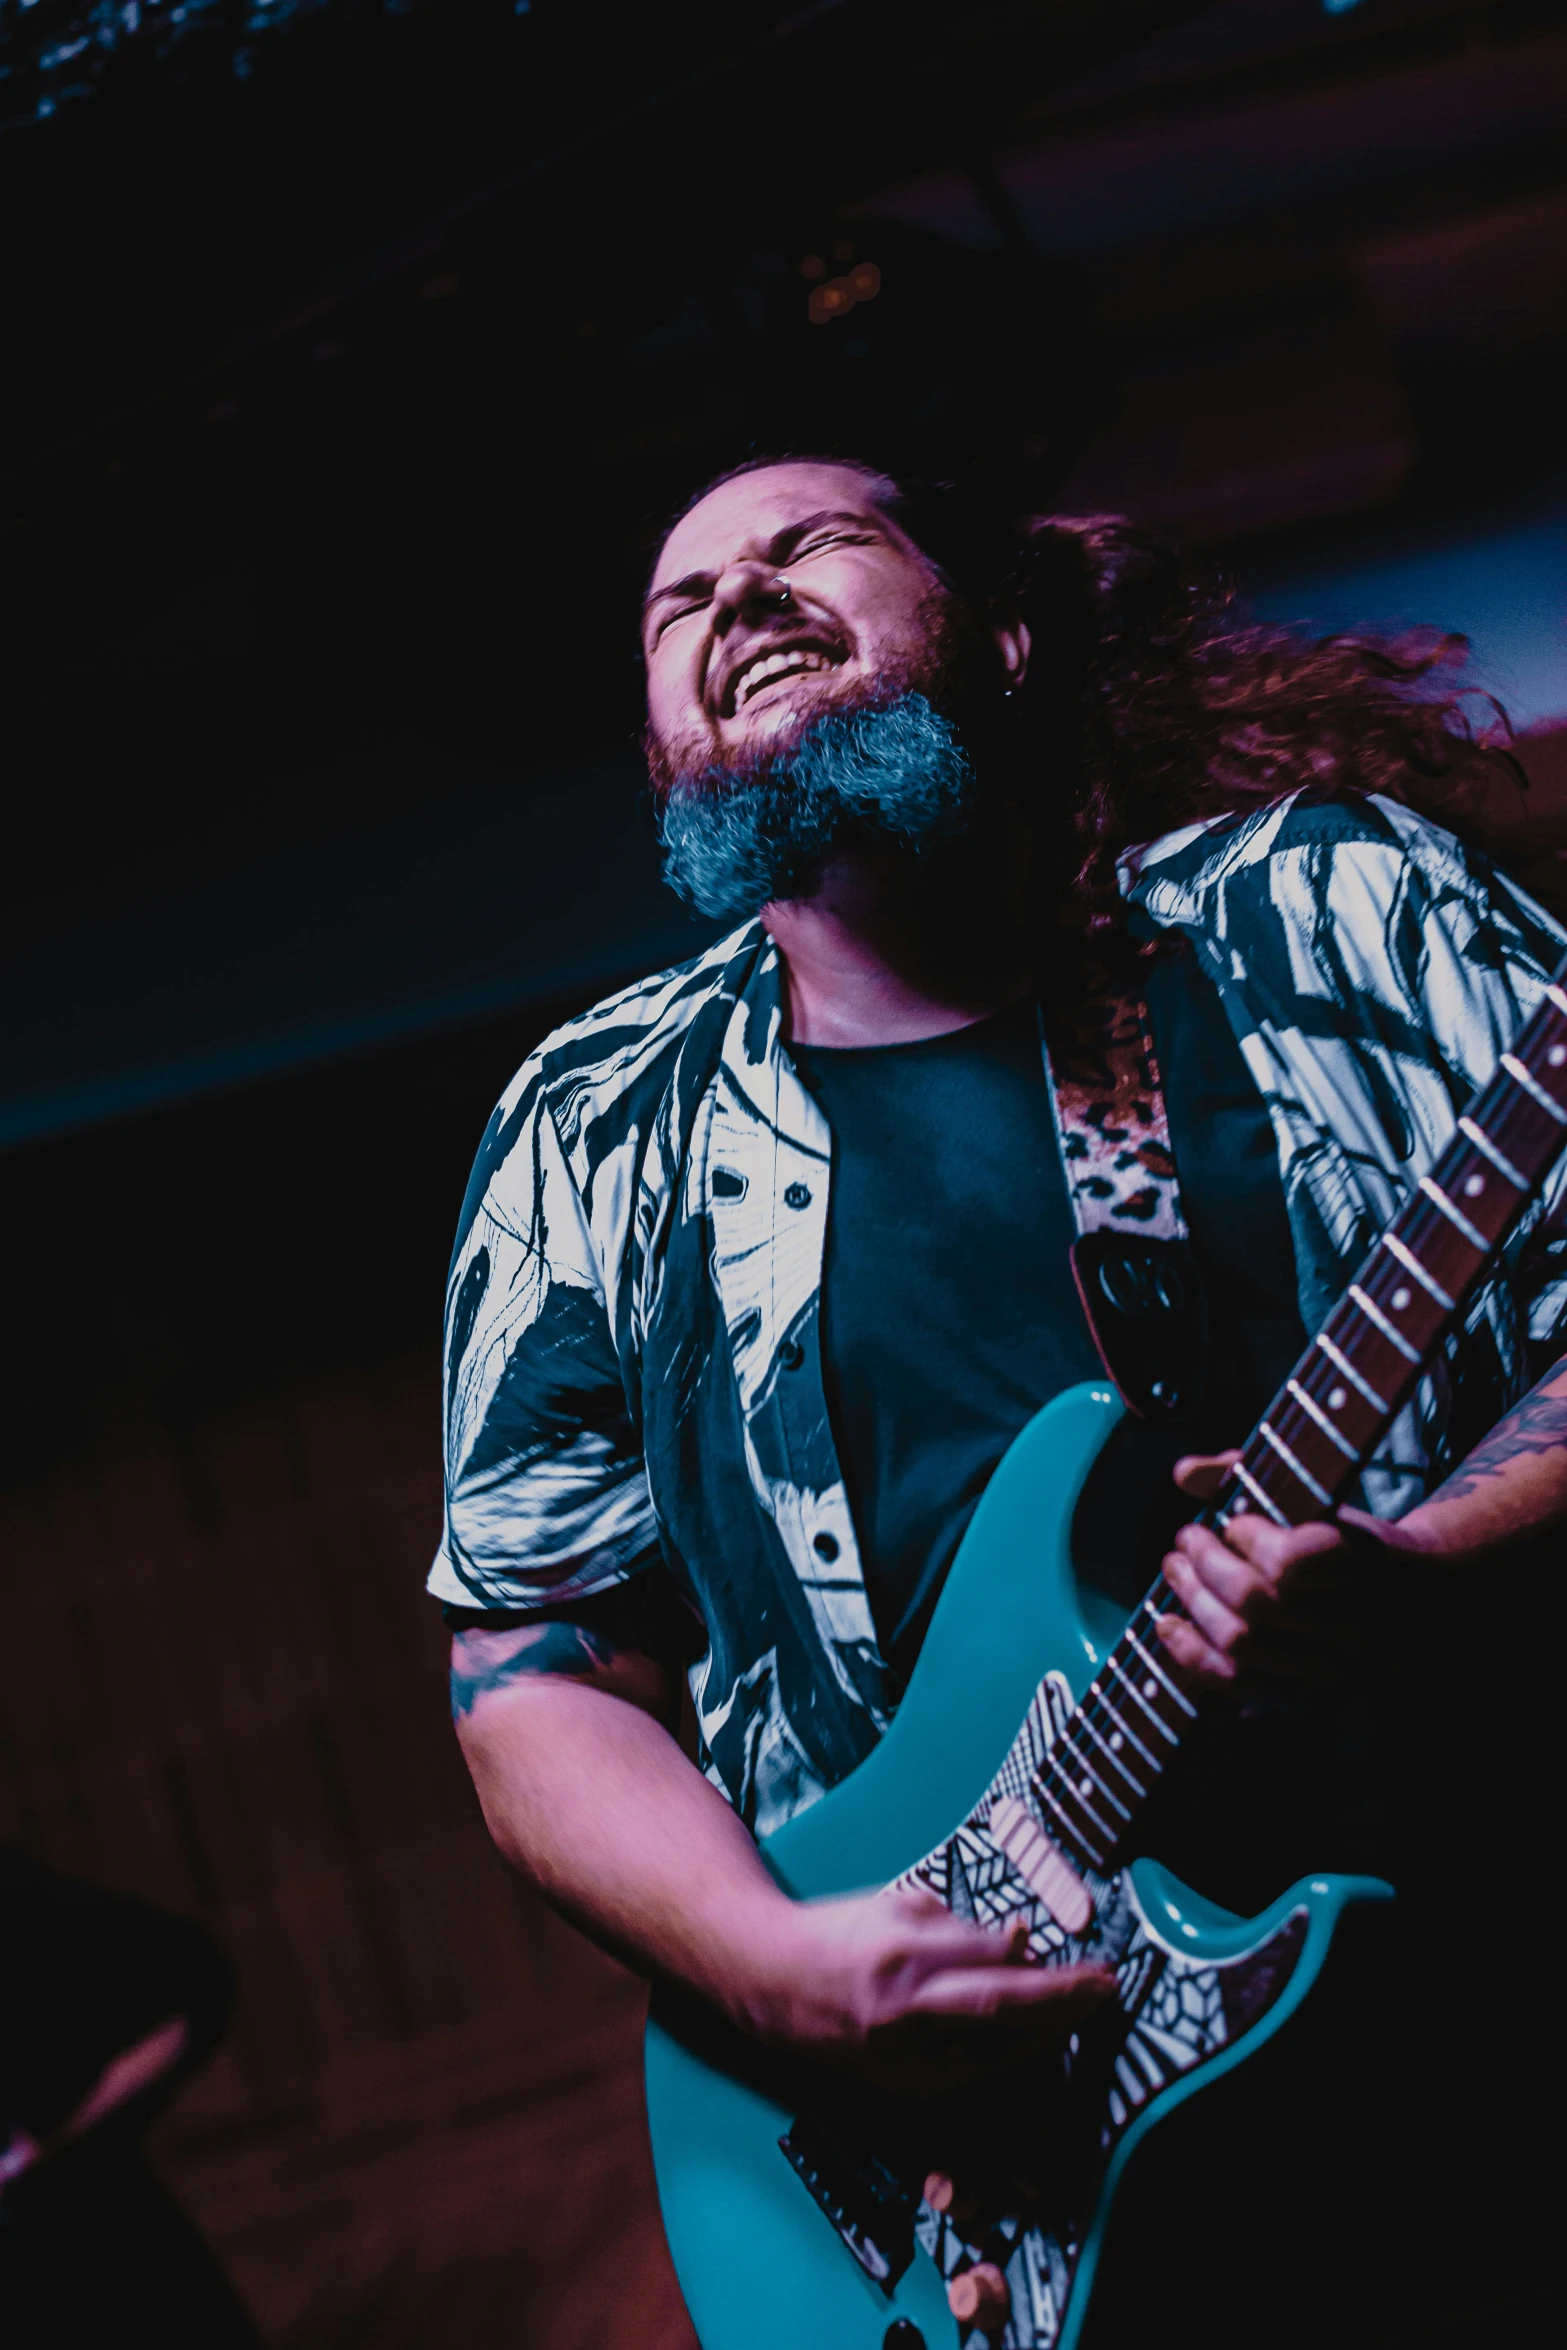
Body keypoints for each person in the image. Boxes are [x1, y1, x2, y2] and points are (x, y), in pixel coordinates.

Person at [432, 457, 1566, 2343]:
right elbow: (530, 1668)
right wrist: (781, 1970)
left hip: (1484, 2002)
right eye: (680, 600)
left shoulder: (1327, 908)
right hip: (985, 2180)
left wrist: (1429, 1557)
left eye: (815, 544)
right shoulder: (592, 1129)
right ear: (663, 761)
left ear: (1008, 635)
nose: (741, 594)